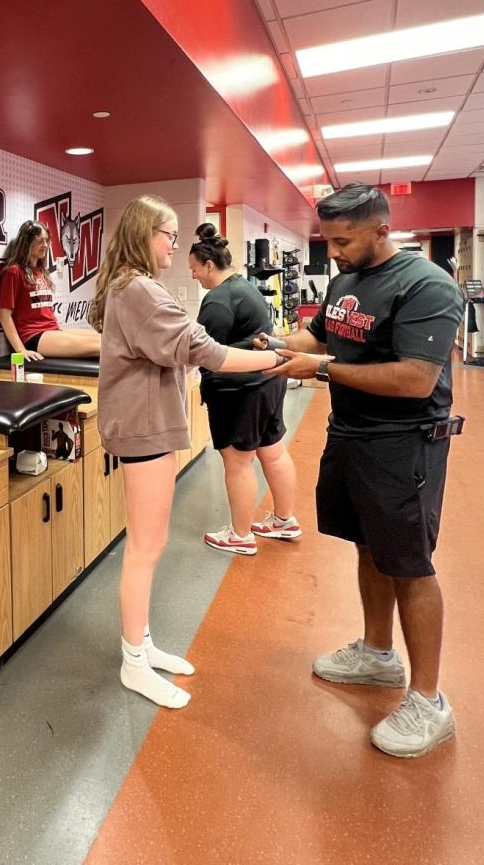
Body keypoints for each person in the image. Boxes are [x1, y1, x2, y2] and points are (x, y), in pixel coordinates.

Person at [89, 196, 322, 710]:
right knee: (146, 547)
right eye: (169, 235)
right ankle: (133, 661)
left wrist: (272, 356)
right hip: (144, 430)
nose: (176, 245)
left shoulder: (130, 287)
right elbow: (206, 351)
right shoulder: (140, 290)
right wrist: (276, 359)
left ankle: (142, 644)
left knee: (150, 543)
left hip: (148, 426)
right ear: (146, 232)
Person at [264, 183, 464, 758]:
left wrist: (320, 369)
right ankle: (378, 655)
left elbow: (414, 379)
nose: (333, 252)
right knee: (368, 547)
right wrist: (274, 347)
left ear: (382, 230)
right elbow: (322, 336)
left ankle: (429, 700)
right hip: (351, 435)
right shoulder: (346, 278)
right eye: (328, 240)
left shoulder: (426, 285)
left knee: (410, 564)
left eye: (343, 240)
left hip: (405, 444)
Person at [188, 223, 302, 556]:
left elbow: (205, 353)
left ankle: (240, 535)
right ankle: (284, 520)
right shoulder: (245, 287)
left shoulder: (218, 301)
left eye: (194, 270)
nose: (194, 276)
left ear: (209, 266)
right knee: (274, 451)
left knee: (237, 462)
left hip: (240, 391)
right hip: (269, 381)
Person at [0, 220, 101, 360]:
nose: (45, 245)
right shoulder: (14, 272)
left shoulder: (41, 271)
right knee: (101, 346)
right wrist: (20, 349)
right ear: (27, 242)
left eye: (46, 241)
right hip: (33, 336)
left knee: (104, 337)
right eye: (40, 241)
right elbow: (4, 316)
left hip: (51, 330)